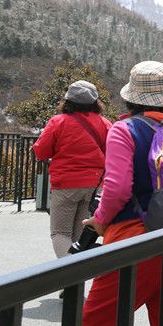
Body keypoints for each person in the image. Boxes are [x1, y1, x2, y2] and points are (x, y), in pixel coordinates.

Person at [81, 61, 163, 326]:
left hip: (135, 242)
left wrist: (100, 220)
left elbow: (118, 188)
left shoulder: (125, 129)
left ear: (131, 97)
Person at [33, 80, 111, 259]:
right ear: (95, 102)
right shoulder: (105, 124)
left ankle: (69, 271)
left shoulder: (58, 122)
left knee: (60, 233)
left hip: (65, 185)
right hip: (94, 185)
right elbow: (112, 154)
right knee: (78, 235)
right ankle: (78, 273)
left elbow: (41, 152)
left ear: (68, 101)